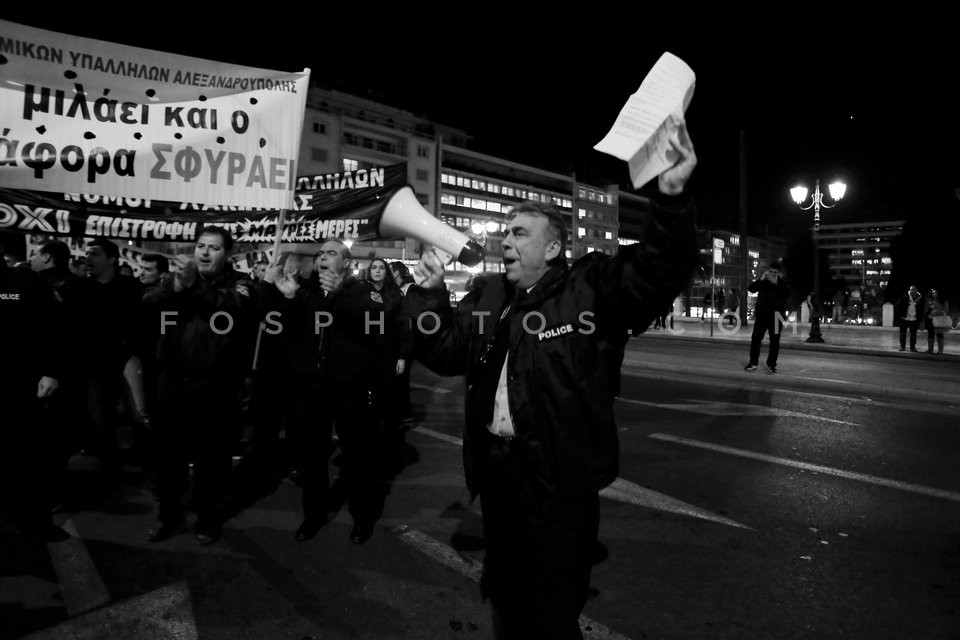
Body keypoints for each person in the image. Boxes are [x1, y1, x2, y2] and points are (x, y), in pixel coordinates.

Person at [405, 122, 698, 639]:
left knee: (554, 607)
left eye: (519, 233)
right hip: (499, 476)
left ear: (555, 247)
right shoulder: (489, 294)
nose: (505, 242)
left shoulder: (590, 288)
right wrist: (428, 297)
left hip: (558, 481)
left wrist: (670, 201)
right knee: (510, 596)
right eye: (504, 233)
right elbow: (448, 352)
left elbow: (656, 271)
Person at [263, 240, 382, 544]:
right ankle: (313, 515)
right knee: (312, 456)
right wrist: (289, 299)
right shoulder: (306, 292)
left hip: (348, 388)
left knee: (356, 455)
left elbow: (377, 326)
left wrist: (341, 292)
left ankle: (362, 517)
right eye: (319, 255)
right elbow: (282, 330)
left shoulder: (362, 292)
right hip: (311, 388)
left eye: (330, 253)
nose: (322, 258)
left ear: (346, 261)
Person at [145, 227, 254, 545]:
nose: (205, 252)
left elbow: (230, 314)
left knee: (212, 459)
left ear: (228, 254)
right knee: (168, 457)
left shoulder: (240, 286)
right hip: (174, 383)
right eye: (200, 246)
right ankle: (168, 514)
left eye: (214, 248)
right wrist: (175, 289)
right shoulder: (174, 283)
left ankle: (208, 515)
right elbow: (150, 312)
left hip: (215, 386)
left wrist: (192, 287)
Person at [0, 233, 69, 542]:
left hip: (19, 386)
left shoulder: (25, 281)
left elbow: (54, 329)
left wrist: (51, 372)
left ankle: (34, 522)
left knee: (27, 457)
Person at [744, 262, 790, 373]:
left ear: (779, 273)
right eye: (771, 272)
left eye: (775, 272)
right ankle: (753, 362)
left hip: (776, 317)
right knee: (755, 339)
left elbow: (787, 294)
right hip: (762, 316)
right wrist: (761, 279)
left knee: (774, 342)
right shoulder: (763, 282)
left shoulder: (782, 284)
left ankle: (771, 364)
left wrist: (775, 284)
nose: (773, 274)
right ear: (768, 272)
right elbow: (751, 289)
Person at [895, 285, 923, 352]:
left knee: (913, 334)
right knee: (902, 333)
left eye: (914, 290)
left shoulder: (919, 298)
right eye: (911, 290)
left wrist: (919, 318)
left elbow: (921, 309)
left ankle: (912, 348)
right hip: (904, 318)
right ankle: (902, 346)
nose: (912, 291)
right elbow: (897, 306)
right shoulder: (904, 297)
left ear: (916, 291)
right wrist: (898, 316)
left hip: (914, 319)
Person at [923, 288, 950, 355]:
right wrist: (927, 311)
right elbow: (925, 308)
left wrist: (938, 312)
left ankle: (940, 351)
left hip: (939, 320)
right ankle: (930, 350)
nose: (934, 294)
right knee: (930, 334)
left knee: (940, 334)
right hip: (930, 319)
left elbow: (946, 310)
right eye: (933, 293)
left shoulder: (943, 300)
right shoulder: (928, 300)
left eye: (936, 293)